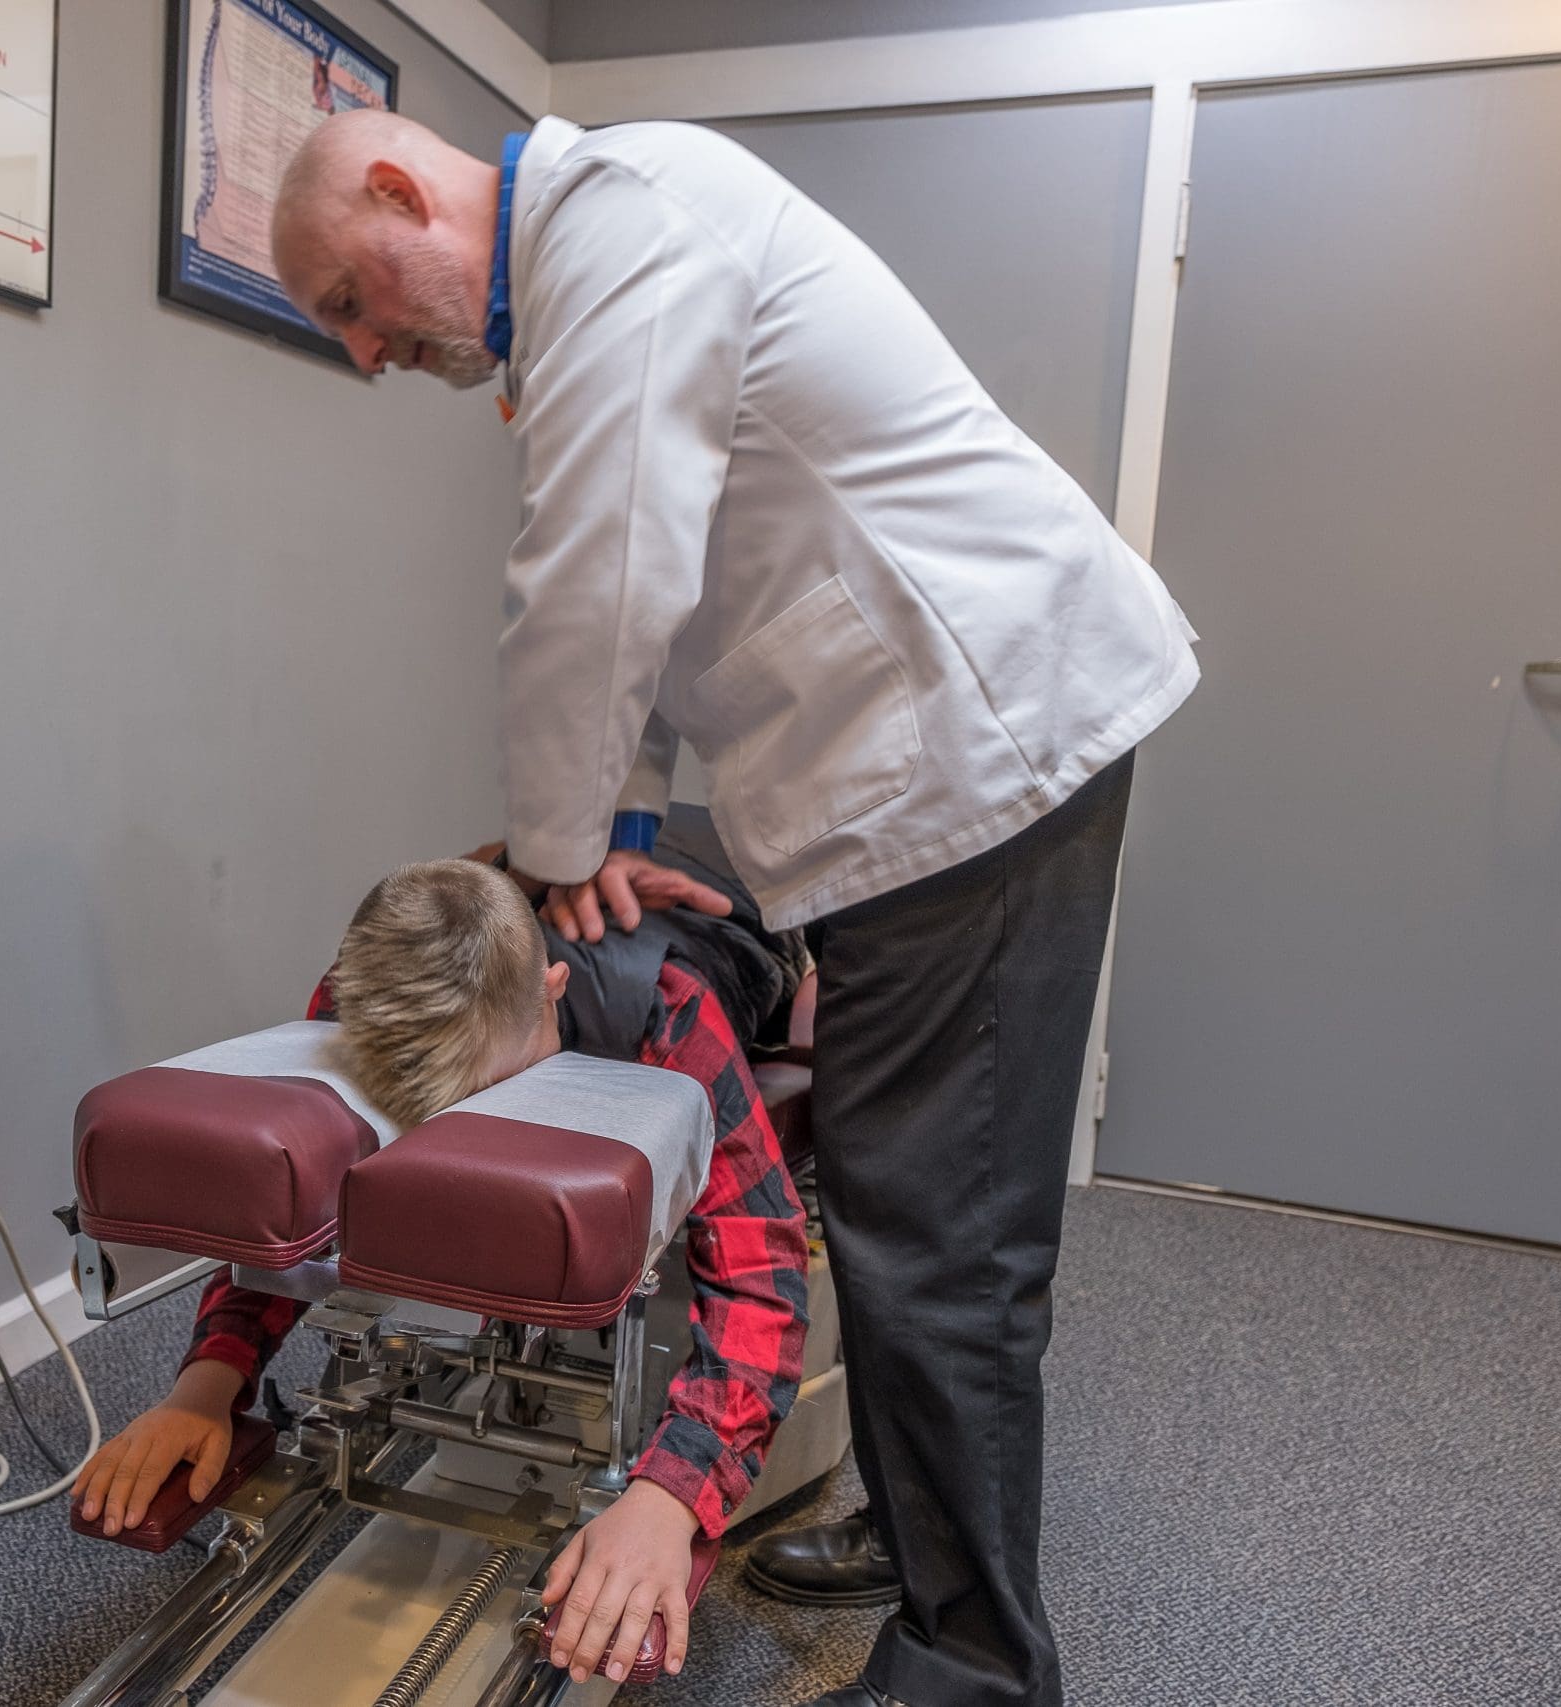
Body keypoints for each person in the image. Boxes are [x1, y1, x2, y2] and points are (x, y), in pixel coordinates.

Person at [267, 111, 1199, 1707]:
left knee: (939, 1240)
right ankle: (924, 1541)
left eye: (351, 299)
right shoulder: (590, 285)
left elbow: (598, 580)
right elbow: (653, 596)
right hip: (910, 769)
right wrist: (611, 831)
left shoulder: (625, 221)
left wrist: (554, 856)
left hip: (983, 745)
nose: (361, 353)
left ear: (406, 195)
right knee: (903, 1213)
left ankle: (973, 1664)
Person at [72, 852, 810, 1687]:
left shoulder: (670, 1013)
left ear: (553, 992)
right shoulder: (356, 1004)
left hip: (734, 922)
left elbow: (765, 1271)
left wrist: (670, 1497)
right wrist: (208, 1382)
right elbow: (285, 1208)